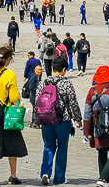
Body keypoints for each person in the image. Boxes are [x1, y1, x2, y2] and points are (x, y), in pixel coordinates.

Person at [0, 47, 27, 187]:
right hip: (5, 112)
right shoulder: (10, 74)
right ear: (7, 60)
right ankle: (13, 175)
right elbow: (14, 97)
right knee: (12, 143)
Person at [36, 57, 82, 186]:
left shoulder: (43, 83)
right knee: (62, 147)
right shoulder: (66, 83)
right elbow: (73, 102)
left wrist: (36, 119)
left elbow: (37, 102)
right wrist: (78, 119)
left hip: (46, 119)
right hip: (63, 120)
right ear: (63, 70)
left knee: (48, 147)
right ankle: (59, 178)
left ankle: (45, 172)